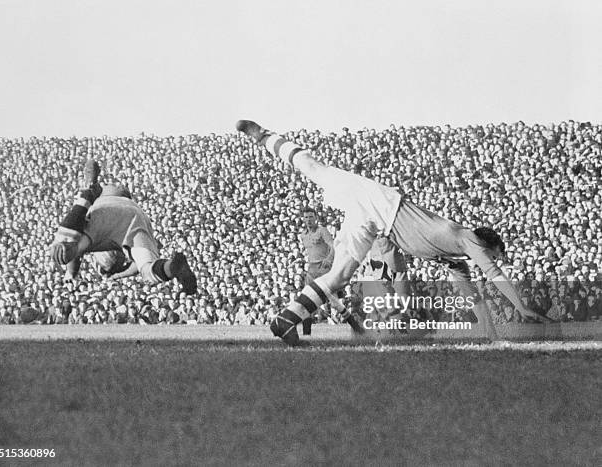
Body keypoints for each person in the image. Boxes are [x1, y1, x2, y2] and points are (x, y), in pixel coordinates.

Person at [236, 120, 549, 345]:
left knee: (339, 276)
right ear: (488, 245)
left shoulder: (456, 258)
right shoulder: (465, 236)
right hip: (380, 202)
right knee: (316, 170)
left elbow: (475, 298)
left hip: (375, 223)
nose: (493, 260)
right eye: (495, 254)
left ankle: (285, 320)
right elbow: (494, 274)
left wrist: (493, 340)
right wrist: (520, 306)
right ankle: (265, 136)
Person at [48, 160, 197, 295]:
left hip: (118, 209)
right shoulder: (100, 247)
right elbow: (74, 255)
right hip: (128, 212)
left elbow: (74, 256)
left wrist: (71, 274)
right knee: (148, 270)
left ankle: (88, 190)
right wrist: (116, 275)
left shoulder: (97, 245)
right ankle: (173, 267)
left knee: (66, 250)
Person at [299, 207, 334, 334]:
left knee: (330, 298)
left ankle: (354, 325)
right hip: (311, 269)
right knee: (307, 299)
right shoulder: (303, 235)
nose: (308, 220)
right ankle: (306, 333)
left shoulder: (322, 231)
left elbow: (333, 246)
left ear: (316, 218)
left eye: (311, 217)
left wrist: (329, 259)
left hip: (323, 267)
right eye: (306, 217)